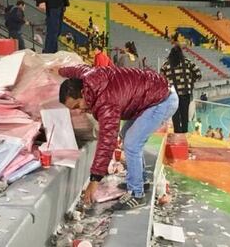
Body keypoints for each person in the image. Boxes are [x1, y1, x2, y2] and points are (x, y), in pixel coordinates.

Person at [58, 65, 178, 210]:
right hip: (155, 93)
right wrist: (58, 70)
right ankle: (141, 180)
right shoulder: (89, 76)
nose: (79, 111)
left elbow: (107, 142)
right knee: (127, 134)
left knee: (132, 143)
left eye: (77, 105)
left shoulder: (106, 102)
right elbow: (75, 69)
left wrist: (94, 180)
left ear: (83, 93)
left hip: (162, 100)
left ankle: (136, 194)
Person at [160, 46, 202, 133]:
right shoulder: (187, 62)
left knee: (175, 115)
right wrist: (190, 81)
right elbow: (198, 74)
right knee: (184, 114)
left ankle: (177, 134)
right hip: (185, 93)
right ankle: (184, 133)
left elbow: (161, 79)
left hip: (172, 94)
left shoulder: (166, 65)